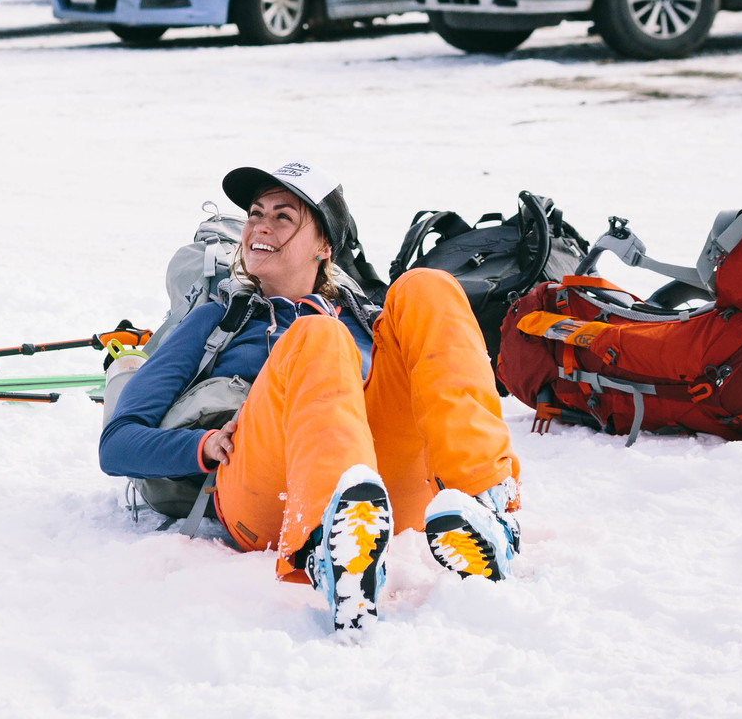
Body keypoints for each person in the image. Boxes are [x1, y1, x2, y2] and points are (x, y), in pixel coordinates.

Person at [99, 161, 522, 632]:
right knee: (316, 335)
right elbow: (117, 443)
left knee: (429, 286)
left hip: (388, 490)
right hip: (263, 496)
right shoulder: (218, 320)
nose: (259, 224)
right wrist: (204, 445)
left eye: (283, 216)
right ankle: (332, 543)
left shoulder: (362, 318)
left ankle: (488, 505)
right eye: (256, 213)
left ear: (324, 245)